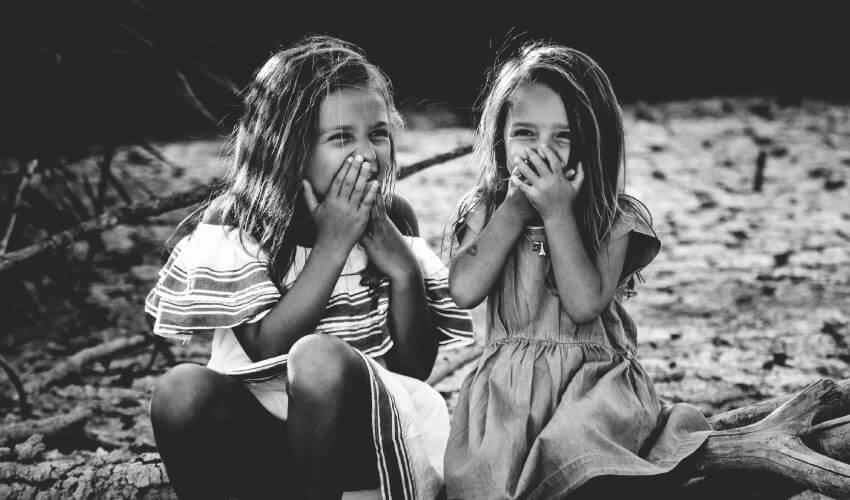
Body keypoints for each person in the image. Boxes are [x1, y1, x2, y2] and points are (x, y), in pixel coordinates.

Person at [145, 35, 474, 500]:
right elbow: (267, 350)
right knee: (180, 389)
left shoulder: (392, 219)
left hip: (363, 438)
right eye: (341, 137)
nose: (367, 152)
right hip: (260, 435)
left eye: (378, 133)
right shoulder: (238, 222)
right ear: (290, 147)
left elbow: (413, 366)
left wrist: (403, 271)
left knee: (319, 359)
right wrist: (333, 244)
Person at [444, 41, 712, 499]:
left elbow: (584, 302)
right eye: (525, 133)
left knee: (577, 448)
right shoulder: (487, 209)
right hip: (508, 396)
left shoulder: (612, 217)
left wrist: (557, 214)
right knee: (486, 479)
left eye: (562, 137)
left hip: (590, 389)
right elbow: (464, 290)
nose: (541, 151)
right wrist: (511, 211)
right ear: (500, 137)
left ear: (593, 141)